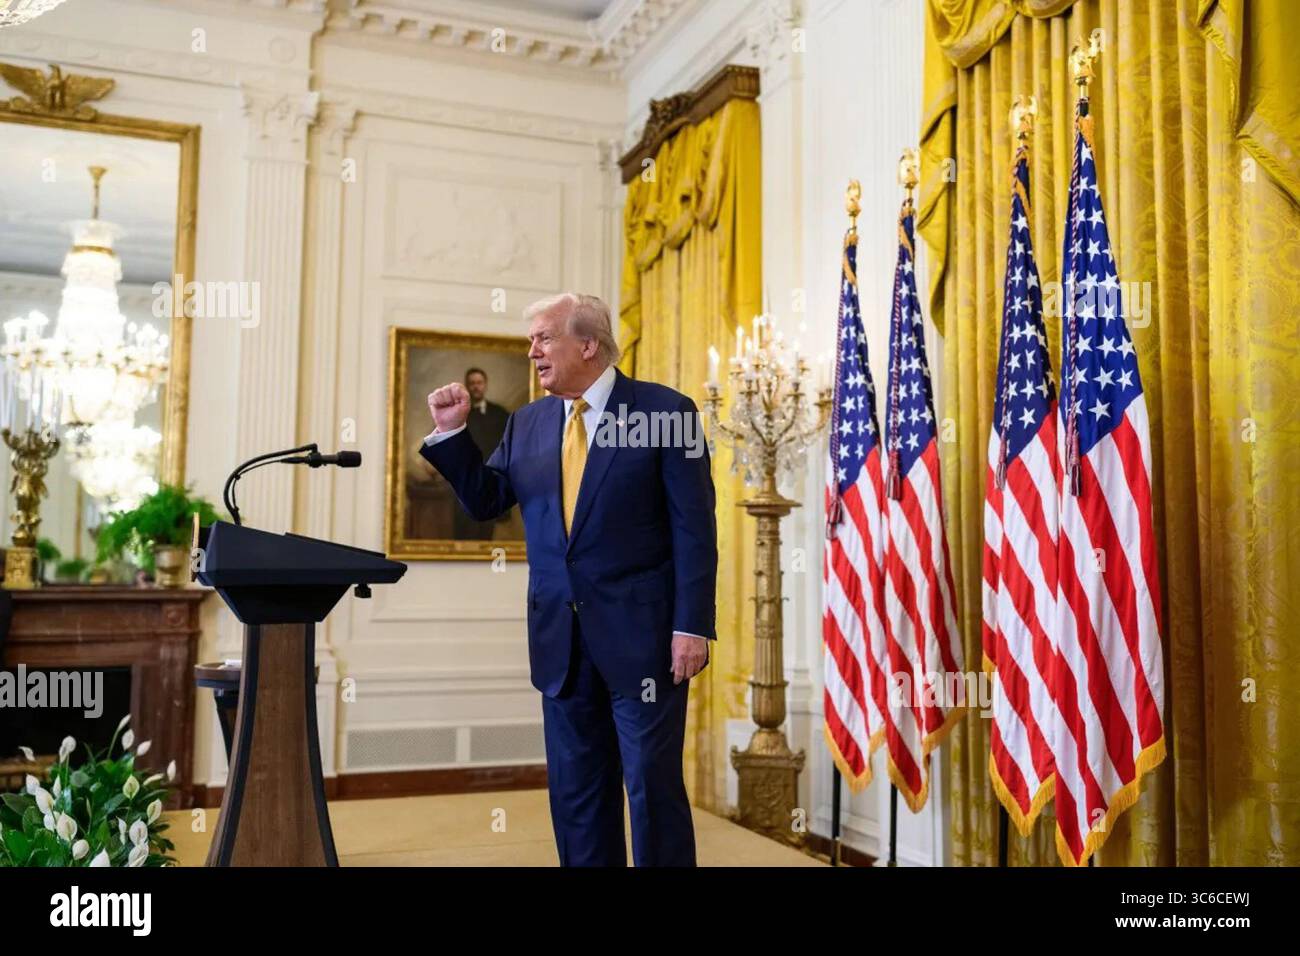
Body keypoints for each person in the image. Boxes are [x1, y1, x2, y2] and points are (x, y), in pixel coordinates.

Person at [421, 292, 716, 866]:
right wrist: (452, 435)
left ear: (588, 344)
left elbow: (695, 532)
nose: (532, 351)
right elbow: (486, 502)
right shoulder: (528, 424)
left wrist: (692, 626)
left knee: (651, 791)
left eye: (543, 338)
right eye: (532, 340)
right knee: (578, 795)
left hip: (647, 644)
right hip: (561, 643)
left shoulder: (665, 413)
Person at [453, 367, 509, 541]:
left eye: (479, 383)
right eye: (472, 383)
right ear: (467, 387)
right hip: (465, 481)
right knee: (464, 531)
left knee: (487, 535)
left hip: (490, 481)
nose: (476, 387)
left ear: (485, 385)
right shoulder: (457, 414)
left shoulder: (500, 414)